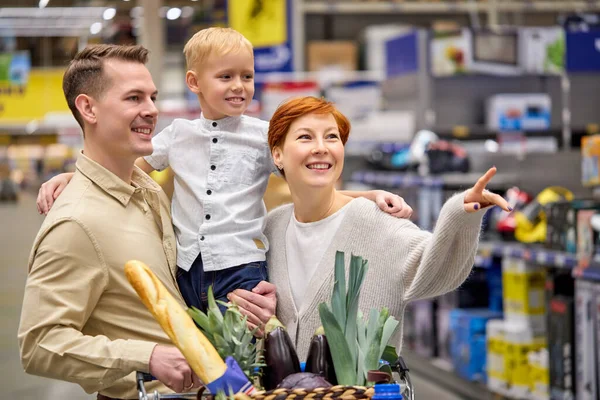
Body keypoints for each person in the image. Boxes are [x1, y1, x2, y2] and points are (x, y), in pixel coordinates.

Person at [36, 27, 413, 317]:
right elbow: (122, 170)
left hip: (241, 268)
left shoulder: (265, 136)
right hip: (185, 269)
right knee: (193, 354)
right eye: (226, 77)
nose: (239, 87)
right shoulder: (177, 136)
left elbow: (310, 184)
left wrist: (369, 196)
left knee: (244, 356)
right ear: (194, 83)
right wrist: (73, 176)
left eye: (246, 77)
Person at [18, 44, 237, 400]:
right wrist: (146, 356)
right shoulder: (75, 223)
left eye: (152, 97)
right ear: (88, 108)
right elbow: (39, 343)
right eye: (134, 98)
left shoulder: (146, 189)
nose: (151, 110)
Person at [228, 96, 512, 360]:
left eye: (332, 137)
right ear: (277, 155)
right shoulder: (271, 228)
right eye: (305, 137)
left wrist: (460, 212)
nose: (321, 148)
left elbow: (437, 270)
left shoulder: (374, 224)